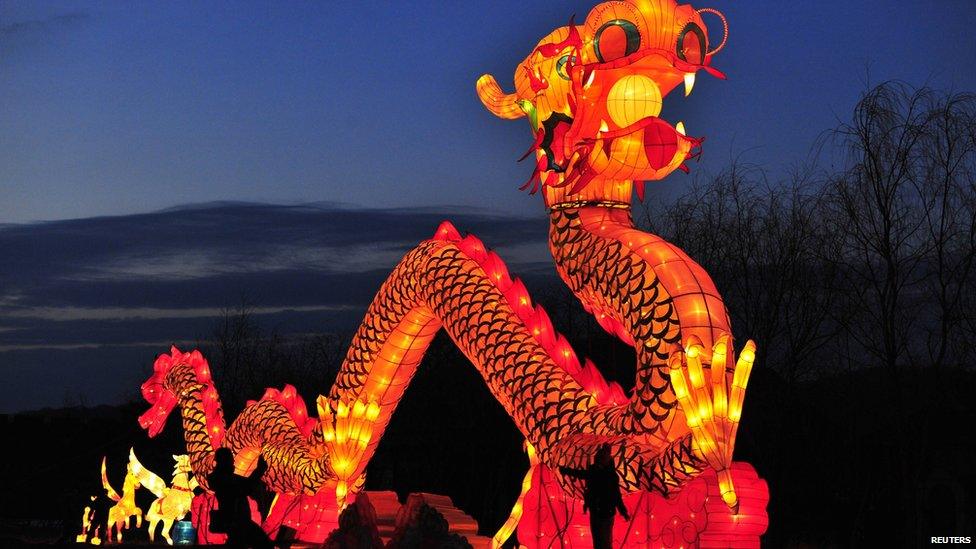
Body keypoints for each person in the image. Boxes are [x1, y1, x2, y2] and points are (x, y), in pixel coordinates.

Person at [559, 444, 630, 549]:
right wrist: (623, 511)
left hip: (602, 512)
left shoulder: (605, 474)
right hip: (601, 511)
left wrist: (623, 511)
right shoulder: (605, 474)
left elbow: (616, 495)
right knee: (603, 540)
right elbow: (616, 495)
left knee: (602, 540)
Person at [208, 447, 273, 548]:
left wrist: (259, 470)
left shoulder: (222, 477)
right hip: (237, 522)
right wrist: (259, 469)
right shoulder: (223, 478)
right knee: (263, 544)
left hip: (237, 521)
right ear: (224, 460)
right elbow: (246, 486)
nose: (233, 460)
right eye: (231, 458)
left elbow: (246, 485)